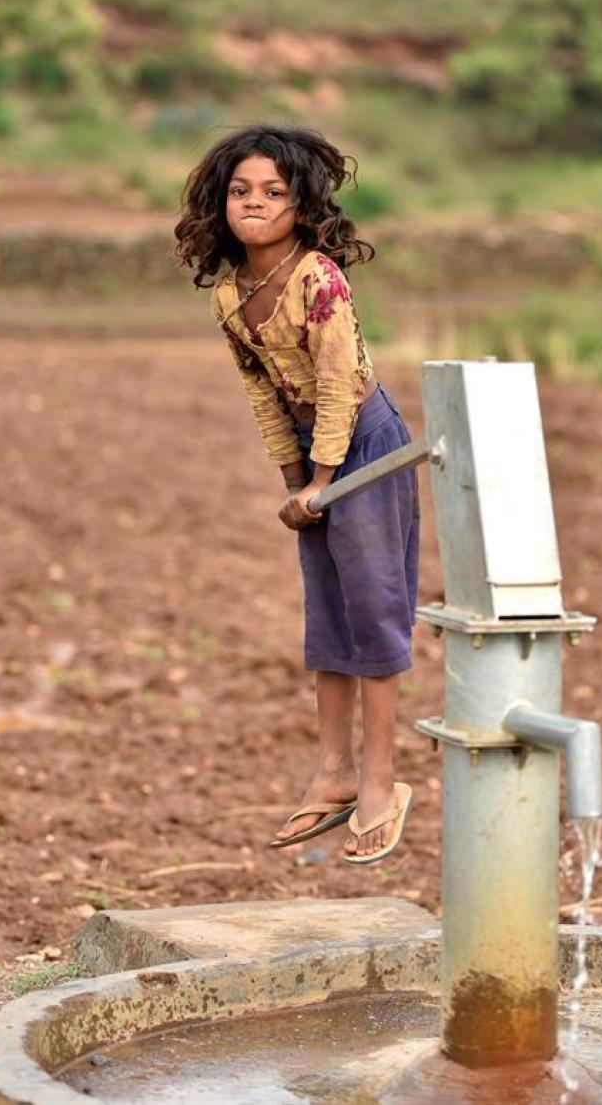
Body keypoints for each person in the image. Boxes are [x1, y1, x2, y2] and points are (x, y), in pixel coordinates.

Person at [175, 124, 418, 864]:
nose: (255, 204)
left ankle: (381, 781)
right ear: (219, 205)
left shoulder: (318, 279)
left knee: (374, 612)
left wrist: (322, 480)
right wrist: (293, 482)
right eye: (241, 192)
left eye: (273, 194)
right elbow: (263, 396)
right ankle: (333, 772)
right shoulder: (229, 295)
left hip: (365, 445)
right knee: (330, 616)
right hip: (316, 456)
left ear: (302, 207)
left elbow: (341, 384)